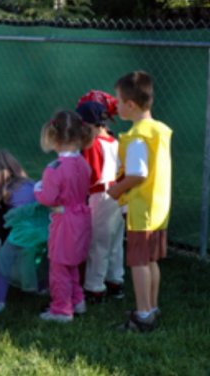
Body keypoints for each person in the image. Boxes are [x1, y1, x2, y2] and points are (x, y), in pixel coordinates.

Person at [108, 71, 172, 332]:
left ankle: (143, 314)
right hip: (158, 208)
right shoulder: (158, 130)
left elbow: (138, 174)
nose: (116, 105)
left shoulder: (137, 136)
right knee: (151, 260)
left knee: (138, 262)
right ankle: (152, 306)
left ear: (130, 105)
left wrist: (116, 190)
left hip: (141, 210)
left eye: (119, 101)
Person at [35, 110, 93, 323]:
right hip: (82, 217)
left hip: (65, 221)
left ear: (53, 137)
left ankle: (61, 309)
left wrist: (37, 191)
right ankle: (78, 300)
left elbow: (48, 198)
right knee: (73, 264)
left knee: (59, 266)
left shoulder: (54, 169)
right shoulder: (83, 164)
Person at [0, 150, 46, 313]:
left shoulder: (1, 196)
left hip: (21, 237)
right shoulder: (30, 184)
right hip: (43, 234)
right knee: (41, 262)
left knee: (3, 265)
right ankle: (42, 288)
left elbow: (2, 227)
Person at [76, 92, 125, 303]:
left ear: (90, 124)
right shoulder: (114, 141)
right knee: (115, 242)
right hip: (119, 194)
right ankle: (116, 280)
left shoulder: (92, 144)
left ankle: (95, 288)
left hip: (101, 196)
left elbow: (91, 175)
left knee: (98, 244)